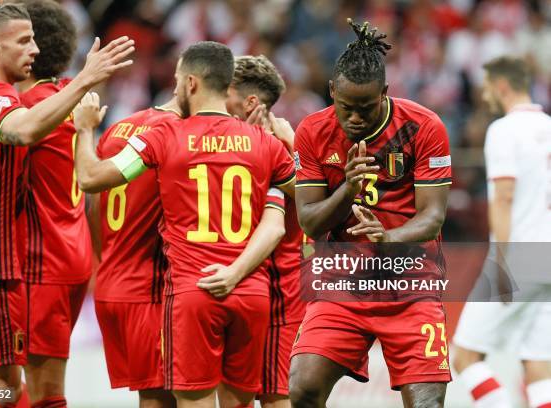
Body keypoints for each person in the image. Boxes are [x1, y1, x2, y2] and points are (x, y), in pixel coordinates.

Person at [72, 41, 295, 408]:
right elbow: (308, 194)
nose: (174, 88)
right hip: (251, 292)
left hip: (195, 290)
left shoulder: (165, 135)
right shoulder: (263, 143)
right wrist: (290, 146)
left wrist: (84, 129)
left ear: (191, 83)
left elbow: (91, 178)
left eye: (177, 80)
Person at [0, 2, 133, 405]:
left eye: (33, 39)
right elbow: (22, 130)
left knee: (3, 386)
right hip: (8, 263)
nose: (33, 50)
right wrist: (84, 82)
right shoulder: (23, 104)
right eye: (24, 42)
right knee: (5, 387)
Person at [290, 20, 452, 408]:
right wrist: (348, 188)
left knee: (427, 404)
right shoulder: (312, 131)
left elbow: (433, 217)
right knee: (302, 389)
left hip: (411, 283)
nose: (356, 118)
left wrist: (387, 238)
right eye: (347, 108)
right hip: (341, 284)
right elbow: (309, 221)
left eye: (366, 107)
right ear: (332, 92)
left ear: (385, 93)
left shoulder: (424, 127)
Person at [452, 56, 551, 408]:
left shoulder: (504, 131)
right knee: (539, 367)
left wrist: (502, 261)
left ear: (503, 85)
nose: (484, 94)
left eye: (487, 87)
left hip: (520, 257)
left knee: (464, 356)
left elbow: (504, 196)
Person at [14, 1, 92, 406]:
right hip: (70, 251)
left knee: (44, 391)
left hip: (40, 261)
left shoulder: (26, 113)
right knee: (6, 382)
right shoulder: (68, 99)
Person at [226, 54, 306, 408]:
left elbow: (316, 198)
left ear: (250, 102)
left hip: (278, 294)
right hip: (236, 287)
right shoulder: (231, 145)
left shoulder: (280, 148)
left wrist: (293, 147)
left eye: (223, 91)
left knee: (274, 398)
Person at [93, 98, 181, 408]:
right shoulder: (172, 133)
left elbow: (94, 203)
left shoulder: (119, 127)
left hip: (111, 278)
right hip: (148, 287)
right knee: (161, 395)